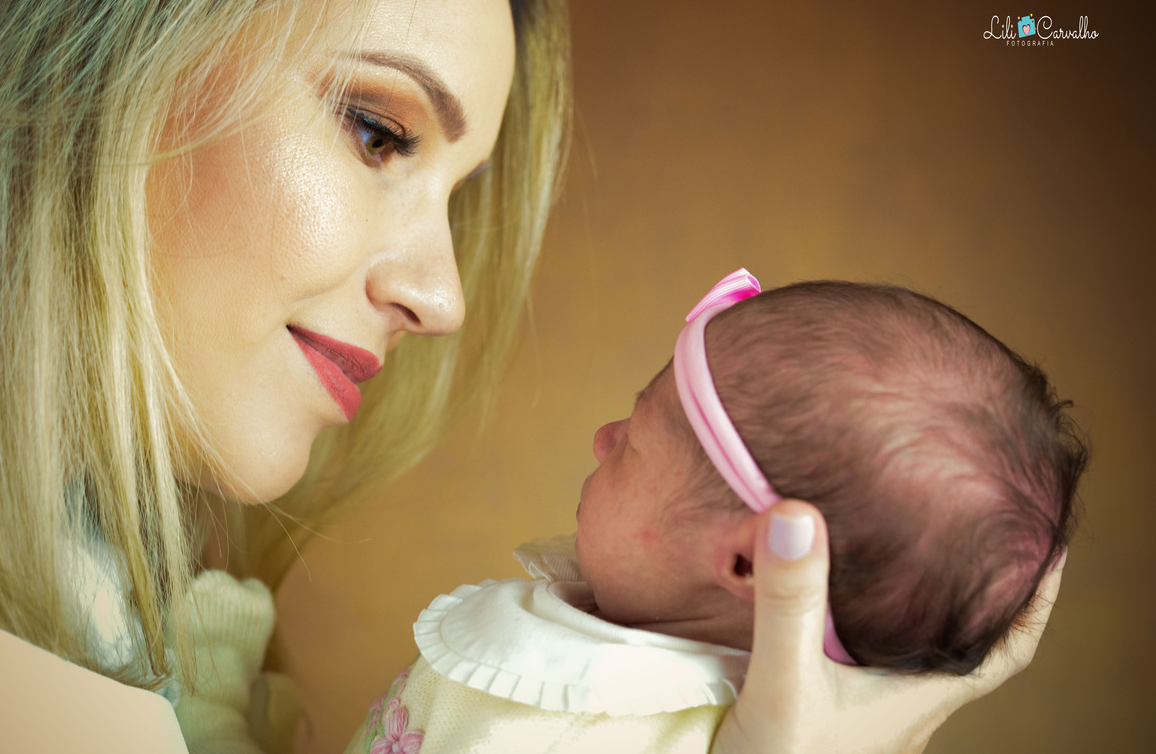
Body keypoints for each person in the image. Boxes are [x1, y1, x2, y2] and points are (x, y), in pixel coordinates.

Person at [0, 0, 1064, 752]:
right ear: (91, 53)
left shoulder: (102, 591)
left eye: (458, 193)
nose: (444, 297)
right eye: (378, 130)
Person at [344, 271, 1084, 753]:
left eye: (633, 439)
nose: (602, 439)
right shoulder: (612, 629)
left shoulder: (623, 732)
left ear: (746, 561)